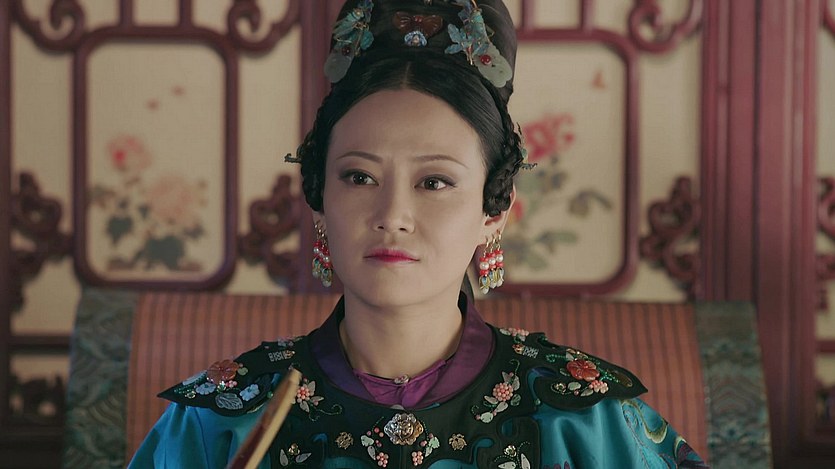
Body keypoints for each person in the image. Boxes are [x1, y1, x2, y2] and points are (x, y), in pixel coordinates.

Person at [130, 1, 707, 467]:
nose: (393, 214)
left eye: (434, 182)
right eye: (359, 177)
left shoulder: (580, 414)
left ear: (494, 210)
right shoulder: (221, 417)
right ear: (320, 201)